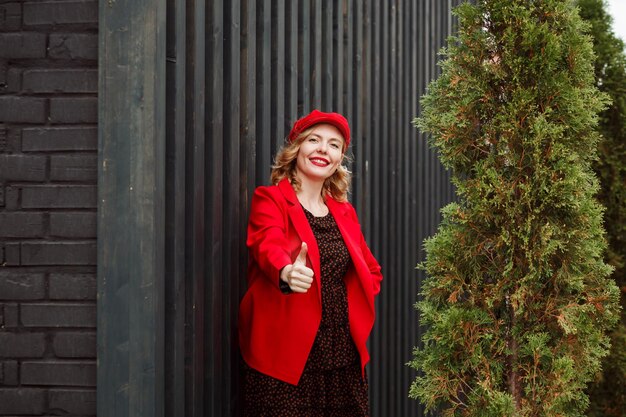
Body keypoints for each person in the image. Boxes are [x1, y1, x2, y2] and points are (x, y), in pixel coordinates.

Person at [238, 110, 383, 416]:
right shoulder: (271, 199)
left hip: (342, 355)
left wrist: (357, 298)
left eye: (333, 145)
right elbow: (266, 242)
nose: (323, 149)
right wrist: (287, 271)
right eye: (314, 140)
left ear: (339, 158)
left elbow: (371, 270)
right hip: (287, 359)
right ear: (296, 149)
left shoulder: (344, 212)